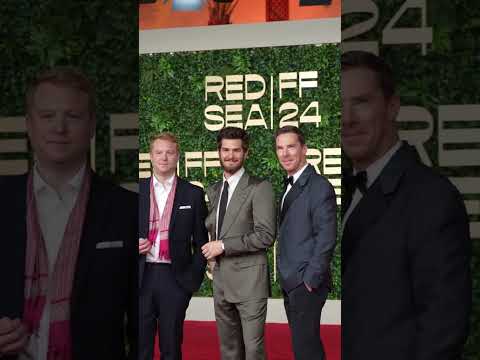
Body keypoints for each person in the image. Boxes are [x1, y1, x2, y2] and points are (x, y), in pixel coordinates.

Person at [341, 50, 471, 359]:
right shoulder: (336, 190)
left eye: (361, 102)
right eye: (339, 105)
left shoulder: (431, 197)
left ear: (392, 107)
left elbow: (442, 330)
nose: (347, 118)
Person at [0, 67, 137, 360]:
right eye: (47, 116)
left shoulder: (126, 210)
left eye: (72, 117)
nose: (59, 128)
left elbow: (142, 318)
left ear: (91, 127)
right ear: (28, 124)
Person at [202, 127, 276, 360]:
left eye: (236, 150)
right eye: (226, 150)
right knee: (229, 350)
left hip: (250, 282)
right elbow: (216, 227)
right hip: (221, 281)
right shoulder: (214, 189)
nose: (230, 155)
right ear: (219, 152)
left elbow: (265, 235)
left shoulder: (259, 187)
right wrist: (212, 256)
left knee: (253, 351)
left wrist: (222, 246)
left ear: (246, 153)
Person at [138, 132, 208, 360]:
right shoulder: (135, 191)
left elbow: (201, 242)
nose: (164, 157)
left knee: (171, 344)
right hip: (141, 275)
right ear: (150, 156)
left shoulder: (194, 193)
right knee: (140, 344)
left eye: (169, 152)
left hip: (175, 278)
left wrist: (191, 281)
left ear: (178, 156)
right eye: (159, 152)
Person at [274, 125, 337, 360]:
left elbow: (327, 236)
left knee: (305, 349)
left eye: (291, 146)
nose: (285, 153)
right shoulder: (288, 184)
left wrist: (309, 280)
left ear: (305, 149)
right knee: (306, 348)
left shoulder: (319, 186)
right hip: (292, 281)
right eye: (280, 148)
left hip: (306, 283)